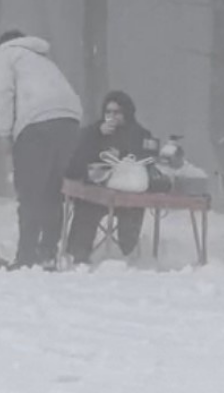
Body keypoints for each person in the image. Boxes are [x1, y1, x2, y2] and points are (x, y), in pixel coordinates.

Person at [0, 30, 82, 268]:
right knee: (52, 191)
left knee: (30, 191)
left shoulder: (4, 55)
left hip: (37, 124)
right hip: (70, 121)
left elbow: (1, 94)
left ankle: (26, 257)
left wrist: (4, 134)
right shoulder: (42, 59)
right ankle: (48, 251)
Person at [65, 90, 157, 264]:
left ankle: (127, 254)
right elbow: (77, 157)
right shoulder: (93, 131)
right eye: (108, 112)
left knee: (133, 209)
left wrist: (122, 155)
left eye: (117, 112)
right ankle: (79, 254)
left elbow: (147, 158)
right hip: (97, 187)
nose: (112, 117)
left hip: (127, 190)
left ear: (126, 113)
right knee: (86, 205)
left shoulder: (140, 133)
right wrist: (95, 135)